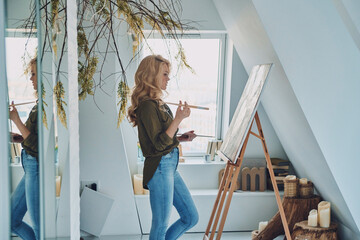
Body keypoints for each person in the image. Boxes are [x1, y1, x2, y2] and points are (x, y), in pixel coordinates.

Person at [128, 55, 199, 240]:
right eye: (165, 74)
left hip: (169, 166)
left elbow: (162, 137)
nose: (168, 79)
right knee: (160, 224)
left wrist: (181, 138)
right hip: (160, 168)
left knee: (191, 217)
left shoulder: (158, 103)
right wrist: (178, 119)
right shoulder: (147, 106)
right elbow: (158, 145)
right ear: (151, 76)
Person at [9, 57, 40, 240]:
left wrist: (16, 120)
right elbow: (33, 139)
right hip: (29, 165)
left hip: (34, 166)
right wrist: (18, 137)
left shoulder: (44, 105)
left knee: (40, 227)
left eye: (34, 74)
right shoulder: (39, 104)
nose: (30, 78)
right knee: (11, 220)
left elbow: (37, 145)